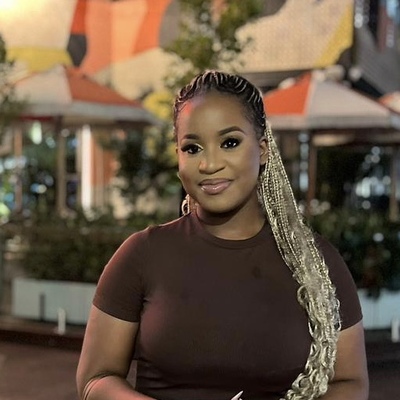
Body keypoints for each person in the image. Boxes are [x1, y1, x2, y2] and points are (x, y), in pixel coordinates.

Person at [76, 70, 369, 400]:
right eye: (192, 148)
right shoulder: (142, 255)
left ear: (263, 150)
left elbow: (350, 382)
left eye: (229, 142)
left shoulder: (316, 263)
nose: (209, 164)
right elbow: (95, 379)